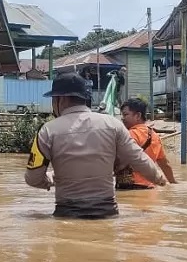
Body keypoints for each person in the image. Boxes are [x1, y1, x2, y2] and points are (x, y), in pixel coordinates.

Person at [25, 72, 168, 219]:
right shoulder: (113, 125)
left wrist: (52, 179)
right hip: (107, 212)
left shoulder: (47, 131)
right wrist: (159, 178)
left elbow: (33, 178)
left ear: (60, 99)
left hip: (67, 214)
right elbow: (138, 158)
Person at [116, 98, 177, 190]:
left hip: (129, 187)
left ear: (138, 115)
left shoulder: (129, 134)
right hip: (150, 187)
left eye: (125, 115)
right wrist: (173, 183)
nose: (122, 119)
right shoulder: (155, 136)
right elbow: (164, 164)